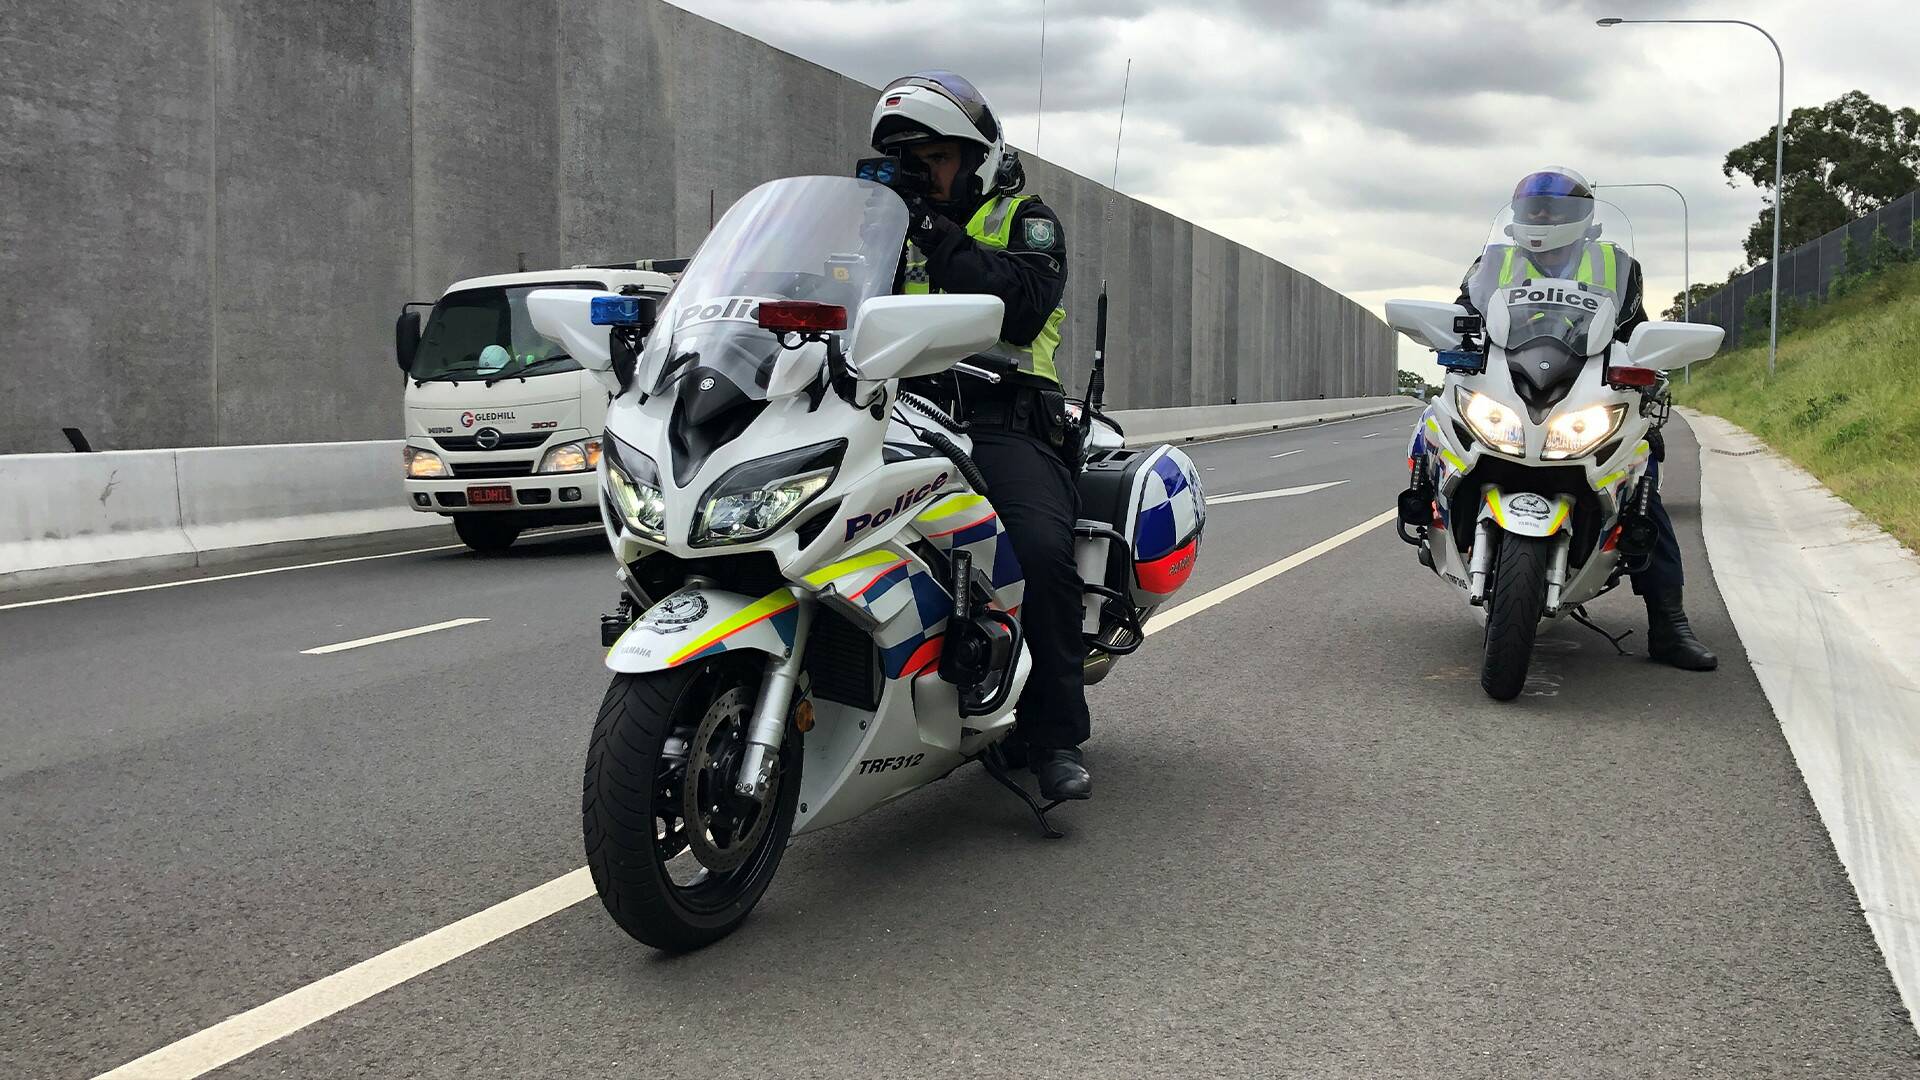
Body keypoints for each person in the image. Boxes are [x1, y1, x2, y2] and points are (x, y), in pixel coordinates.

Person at [867, 71, 1093, 798]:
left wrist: (927, 226)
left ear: (976, 158)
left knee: (1038, 552)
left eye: (932, 159)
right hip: (894, 412)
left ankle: (1052, 735)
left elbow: (1021, 306)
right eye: (907, 161)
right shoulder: (885, 236)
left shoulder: (1027, 220)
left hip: (1003, 420)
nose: (919, 175)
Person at [1455, 167, 1716, 671]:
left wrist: (1646, 369)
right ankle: (1431, 512)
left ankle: (1669, 624)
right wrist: (1448, 336)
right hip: (1509, 386)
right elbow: (1462, 320)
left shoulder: (1615, 264)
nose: (1544, 217)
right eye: (1534, 209)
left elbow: (1634, 332)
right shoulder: (1492, 264)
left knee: (1641, 488)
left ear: (1584, 218)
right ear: (1516, 217)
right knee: (1437, 434)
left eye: (1555, 209)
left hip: (1584, 390)